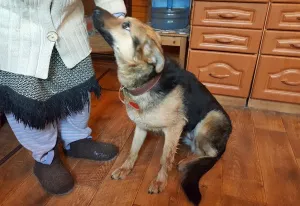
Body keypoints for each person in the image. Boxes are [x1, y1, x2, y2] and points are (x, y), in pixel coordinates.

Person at [0, 0, 126, 195]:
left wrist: (116, 13)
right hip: (17, 35)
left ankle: (76, 139)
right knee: (31, 104)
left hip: (68, 28)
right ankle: (45, 157)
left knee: (77, 92)